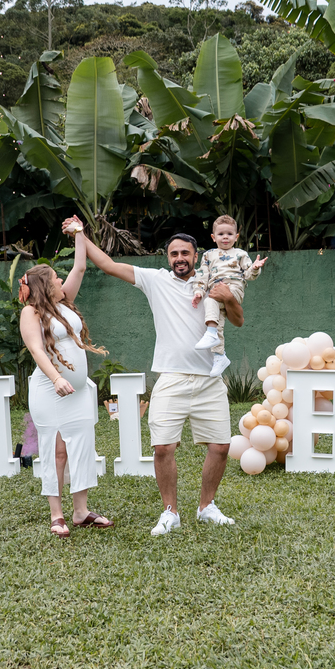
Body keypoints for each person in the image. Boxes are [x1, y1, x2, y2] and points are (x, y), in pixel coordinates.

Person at [78, 227, 243, 536]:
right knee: (164, 447)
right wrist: (80, 234)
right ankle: (170, 512)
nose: (180, 258)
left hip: (210, 379)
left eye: (185, 253)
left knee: (221, 447)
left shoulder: (212, 280)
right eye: (174, 253)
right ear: (167, 258)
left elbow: (238, 319)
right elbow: (108, 265)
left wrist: (227, 298)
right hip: (171, 378)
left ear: (196, 256)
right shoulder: (156, 280)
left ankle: (206, 506)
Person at [18, 219, 113, 538]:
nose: (62, 280)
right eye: (56, 278)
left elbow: (81, 266)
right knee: (55, 451)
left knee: (82, 447)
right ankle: (56, 514)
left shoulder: (63, 302)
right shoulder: (31, 313)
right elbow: (36, 349)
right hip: (50, 391)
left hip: (79, 392)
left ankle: (81, 512)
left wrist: (80, 233)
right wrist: (57, 378)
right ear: (46, 286)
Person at [191, 214, 267, 376]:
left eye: (229, 234)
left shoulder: (240, 254)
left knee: (210, 303)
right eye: (221, 234)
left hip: (234, 288)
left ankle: (210, 334)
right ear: (213, 237)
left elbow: (248, 275)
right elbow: (203, 275)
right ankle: (219, 356)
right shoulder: (208, 255)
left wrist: (255, 268)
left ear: (236, 237)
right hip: (215, 290)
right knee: (217, 321)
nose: (225, 237)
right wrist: (198, 291)